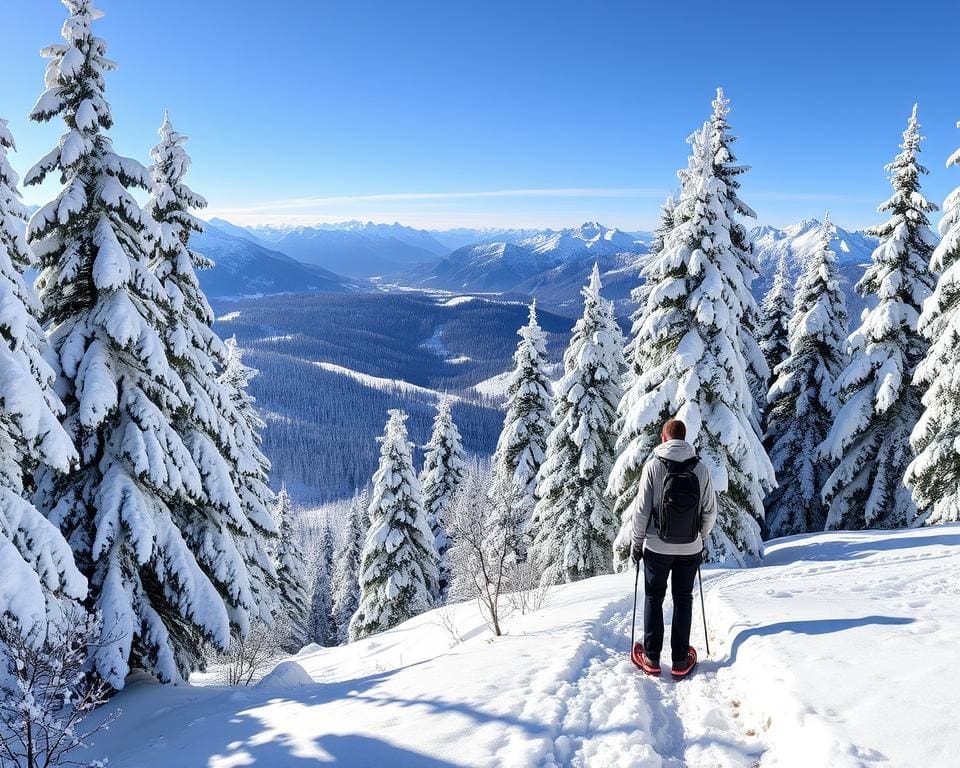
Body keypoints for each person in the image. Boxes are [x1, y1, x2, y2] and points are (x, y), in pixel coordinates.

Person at [631, 418, 716, 676]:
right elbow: (710, 511)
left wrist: (637, 543)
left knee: (654, 598)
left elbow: (641, 511)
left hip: (657, 546)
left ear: (663, 438)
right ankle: (680, 660)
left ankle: (651, 658)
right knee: (683, 599)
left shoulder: (654, 466)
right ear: (684, 437)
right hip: (689, 548)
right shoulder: (700, 468)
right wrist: (700, 536)